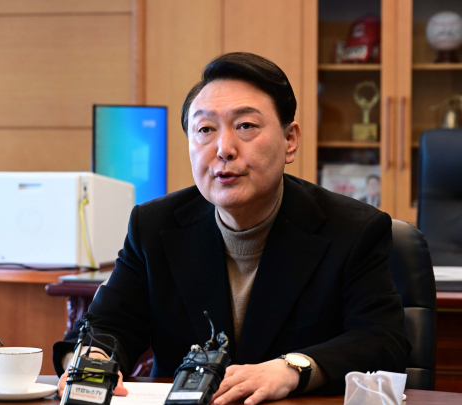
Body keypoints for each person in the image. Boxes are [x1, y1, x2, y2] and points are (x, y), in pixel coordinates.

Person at [53, 52, 409, 405]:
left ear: (290, 140)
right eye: (205, 130)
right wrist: (93, 360)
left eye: (246, 126)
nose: (224, 149)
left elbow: (382, 342)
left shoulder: (352, 230)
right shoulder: (154, 226)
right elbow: (106, 326)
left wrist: (291, 369)